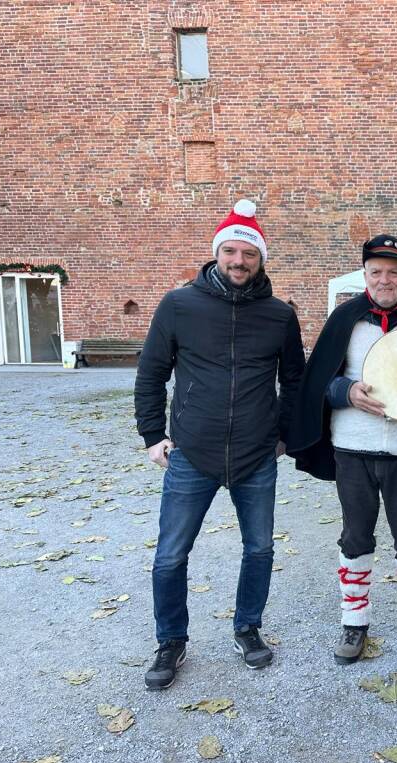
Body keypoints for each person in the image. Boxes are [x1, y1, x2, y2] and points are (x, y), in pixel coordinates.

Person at [134, 199, 304, 690]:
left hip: (255, 456)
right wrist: (152, 435)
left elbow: (295, 379)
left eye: (248, 254)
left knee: (259, 549)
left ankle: (247, 627)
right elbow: (151, 373)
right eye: (230, 251)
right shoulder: (179, 305)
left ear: (261, 259)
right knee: (170, 554)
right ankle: (171, 640)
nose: (238, 261)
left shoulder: (278, 315)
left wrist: (285, 435)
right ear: (216, 254)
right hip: (192, 451)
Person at [289, 235, 397, 667]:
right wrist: (345, 390)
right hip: (352, 449)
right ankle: (354, 624)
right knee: (355, 536)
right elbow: (317, 383)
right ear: (365, 275)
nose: (384, 279)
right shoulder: (344, 318)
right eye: (376, 271)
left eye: (393, 271)